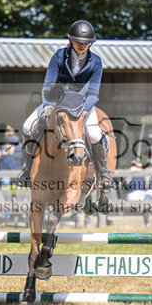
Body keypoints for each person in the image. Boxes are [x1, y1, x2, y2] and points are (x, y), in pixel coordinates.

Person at [19, 20, 112, 189]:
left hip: (82, 105)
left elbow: (93, 94)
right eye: (78, 41)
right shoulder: (59, 56)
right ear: (71, 40)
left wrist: (83, 110)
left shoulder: (96, 62)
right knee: (27, 126)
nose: (82, 45)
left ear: (90, 43)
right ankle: (28, 167)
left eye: (86, 42)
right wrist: (48, 106)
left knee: (94, 134)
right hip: (57, 103)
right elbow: (48, 85)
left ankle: (104, 171)